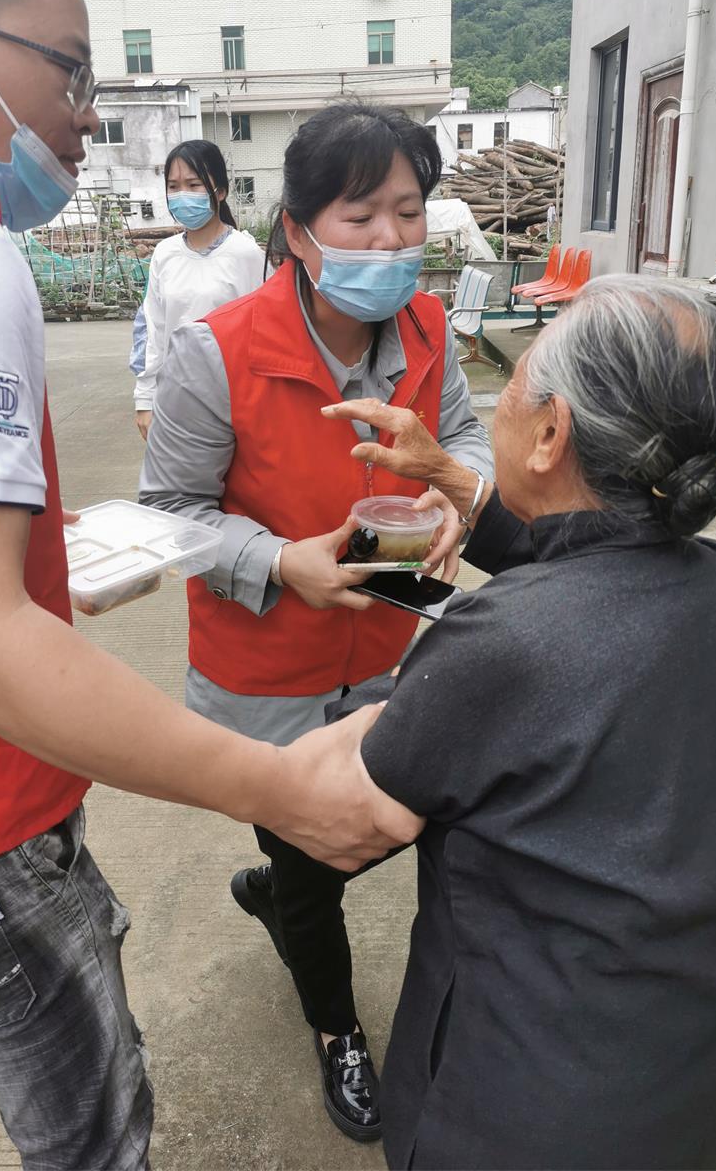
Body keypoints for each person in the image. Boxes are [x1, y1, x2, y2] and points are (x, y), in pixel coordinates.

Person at [0, 0, 420, 1169]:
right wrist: (270, 766)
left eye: (409, 215)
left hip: (368, 650)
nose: (90, 115)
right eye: (72, 71)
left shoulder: (422, 336)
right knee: (96, 1136)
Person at [326, 277, 716, 1170]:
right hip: (688, 1082)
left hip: (521, 1114)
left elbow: (345, 809)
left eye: (514, 392)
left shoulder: (505, 642)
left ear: (551, 434)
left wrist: (365, 705)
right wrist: (450, 482)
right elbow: (599, 555)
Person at [140, 101, 493, 1143]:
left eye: (407, 212)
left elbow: (461, 432)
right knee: (311, 866)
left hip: (390, 622)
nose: (390, 240)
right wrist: (279, 561)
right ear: (295, 229)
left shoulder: (427, 327)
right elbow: (168, 517)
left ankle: (276, 886)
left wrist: (448, 489)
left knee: (414, 813)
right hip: (270, 659)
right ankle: (336, 1025)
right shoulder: (219, 352)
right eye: (358, 216)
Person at [133, 139, 265, 439]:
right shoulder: (165, 254)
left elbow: (268, 328)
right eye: (174, 186)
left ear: (219, 191)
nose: (182, 195)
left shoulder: (245, 253)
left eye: (194, 185)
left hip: (239, 402)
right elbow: (153, 330)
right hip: (177, 402)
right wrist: (144, 399)